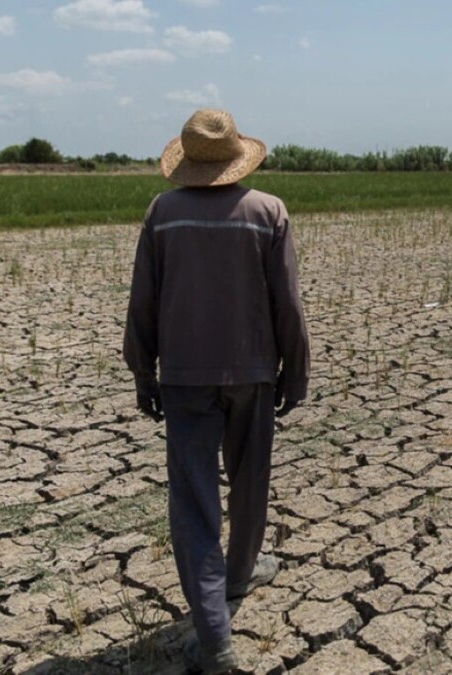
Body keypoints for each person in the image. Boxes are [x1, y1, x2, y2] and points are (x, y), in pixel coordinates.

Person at [123, 108, 310, 673]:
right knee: (251, 480)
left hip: (183, 378)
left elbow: (143, 301)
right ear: (235, 158)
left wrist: (142, 370)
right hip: (253, 373)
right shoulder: (266, 211)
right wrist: (295, 370)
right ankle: (238, 576)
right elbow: (288, 304)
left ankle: (215, 636)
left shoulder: (163, 214)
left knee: (195, 504)